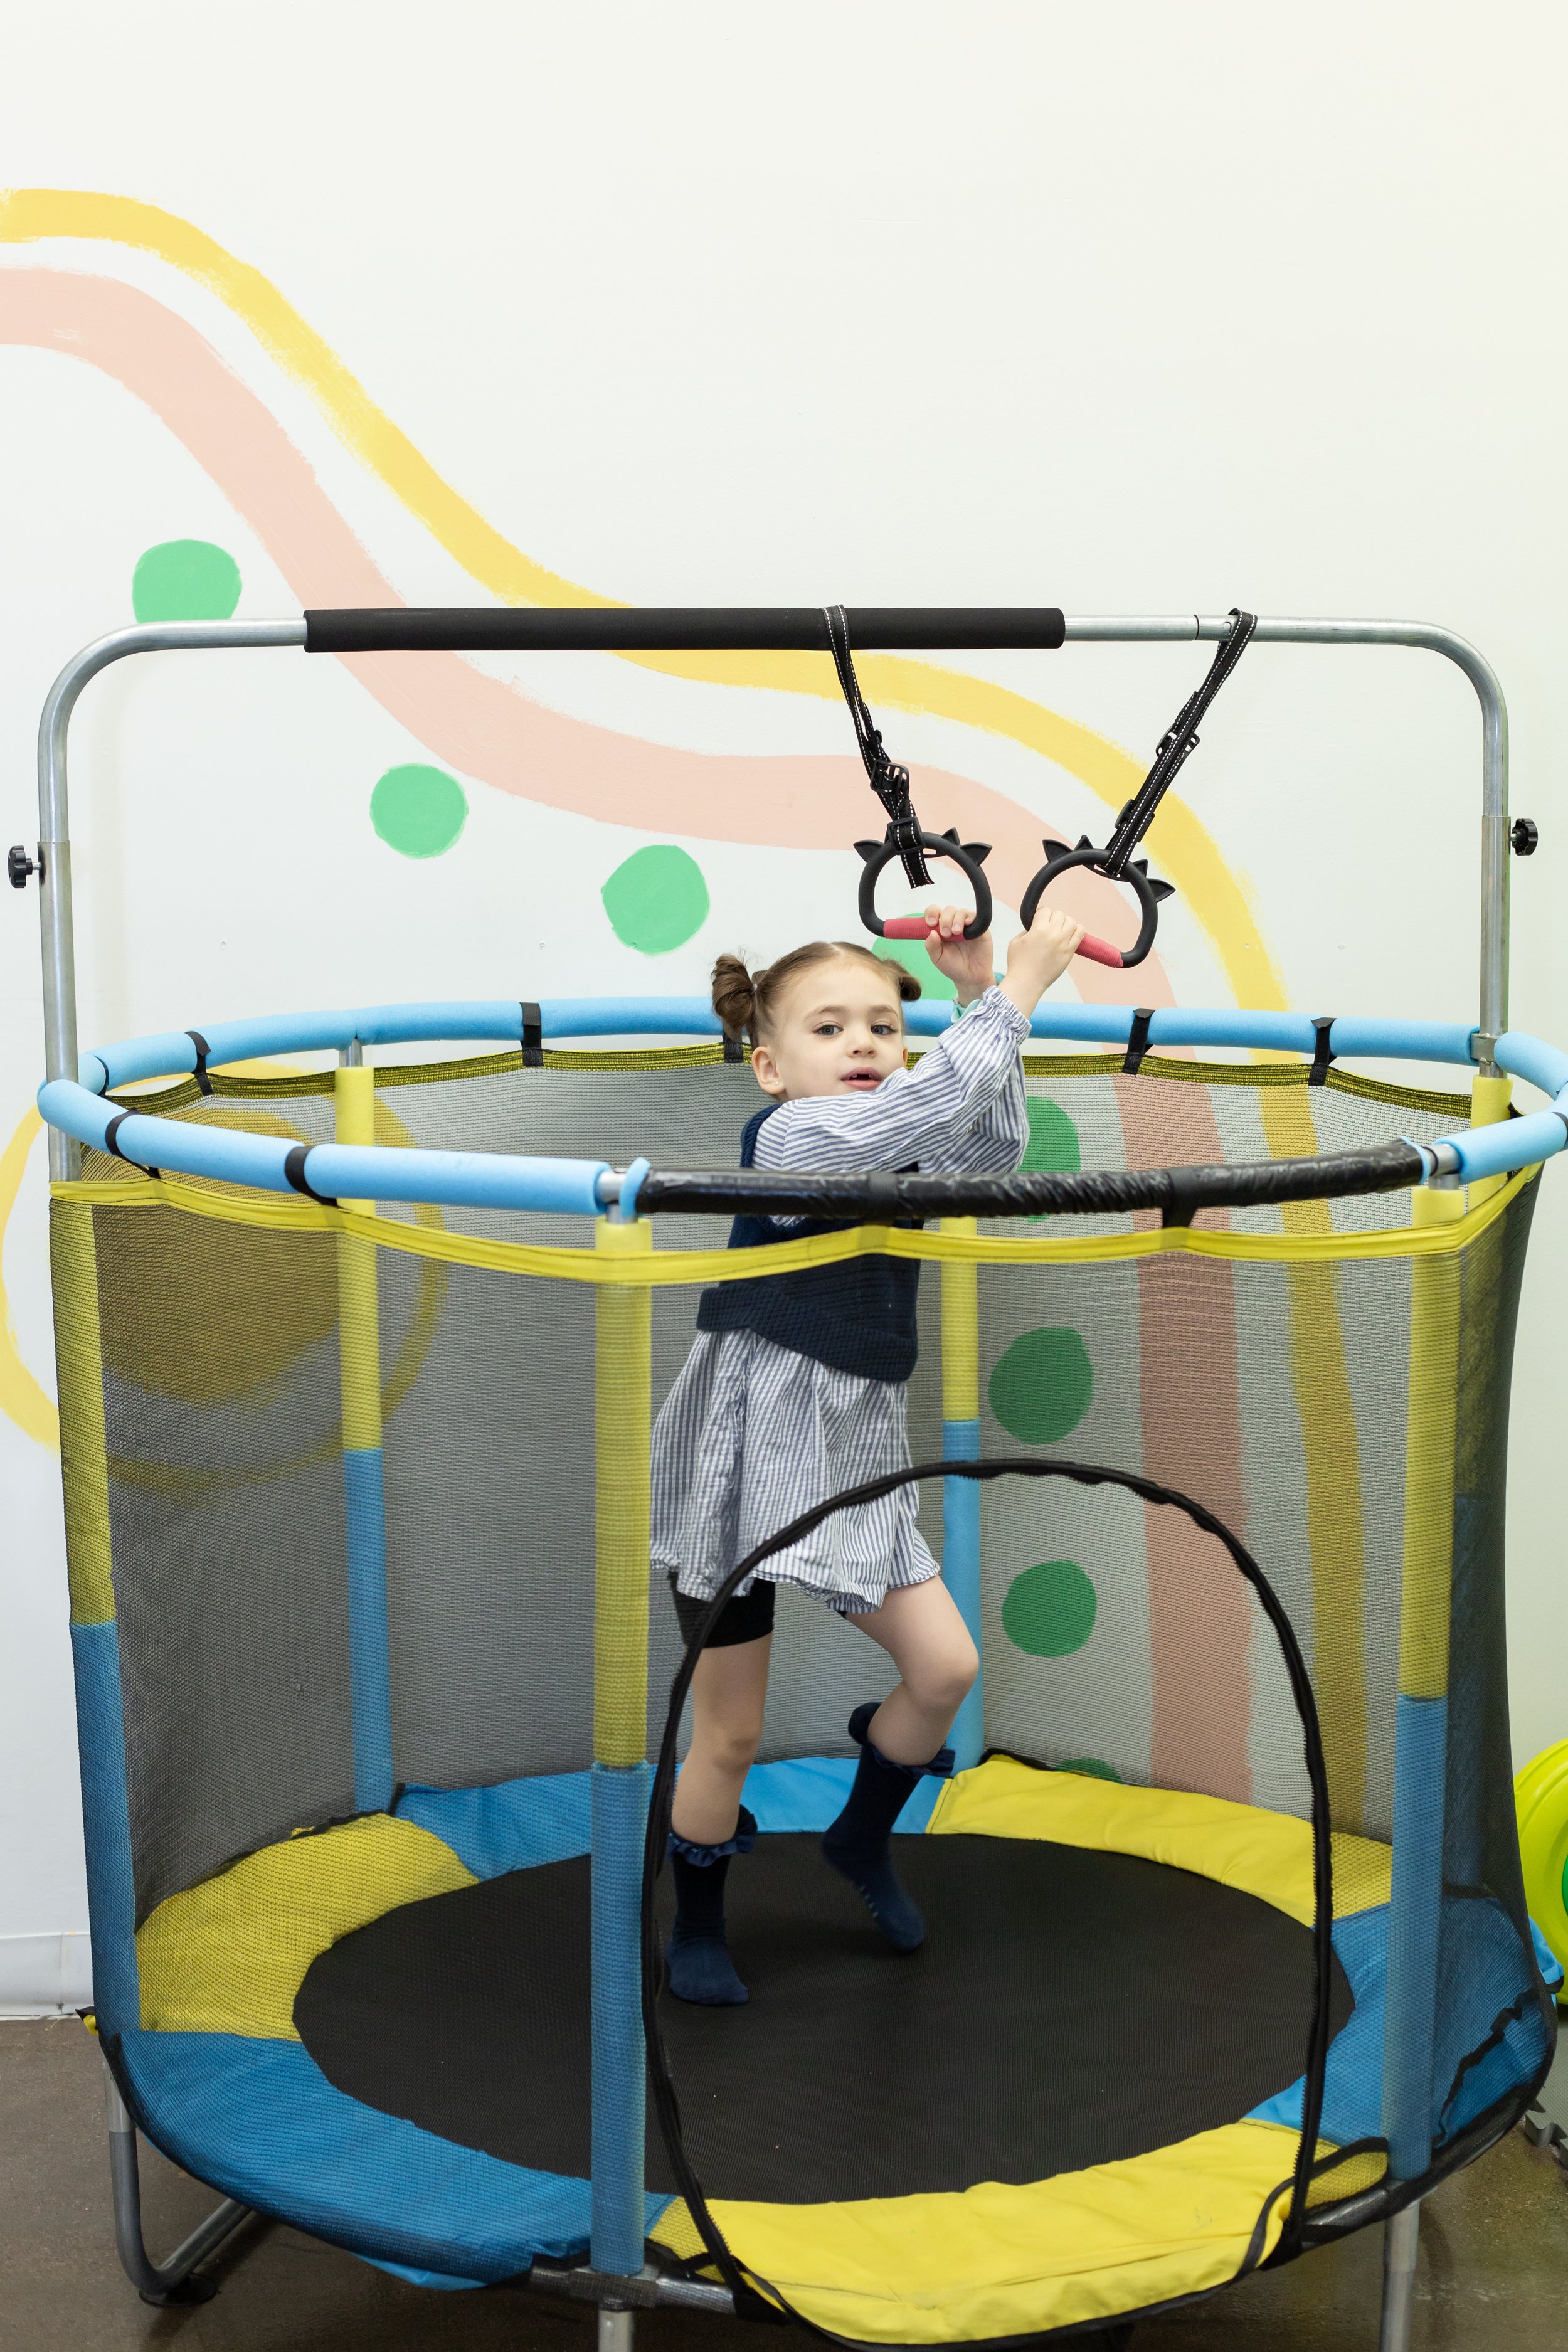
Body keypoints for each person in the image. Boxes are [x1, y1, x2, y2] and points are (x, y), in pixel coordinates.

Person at [651, 898, 1084, 2003]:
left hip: (851, 1445)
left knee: (944, 1668)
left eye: (884, 1028)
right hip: (742, 1450)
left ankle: (859, 1838)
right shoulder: (792, 1140)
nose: (865, 1047)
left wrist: (980, 993)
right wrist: (1020, 996)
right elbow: (936, 1099)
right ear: (768, 1066)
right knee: (731, 1730)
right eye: (831, 1029)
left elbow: (987, 1140)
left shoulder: (899, 1130)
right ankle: (697, 1915)